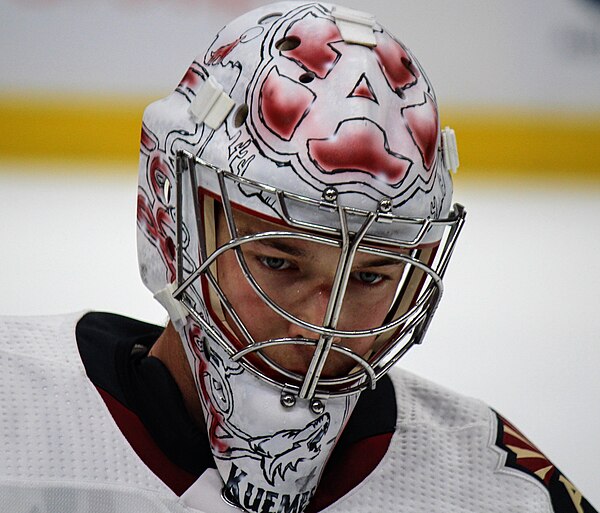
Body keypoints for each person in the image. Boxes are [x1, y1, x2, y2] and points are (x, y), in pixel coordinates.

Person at [0, 2, 596, 512]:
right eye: (279, 263)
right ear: (174, 227)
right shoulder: (15, 419)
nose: (326, 323)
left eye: (370, 274)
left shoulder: (495, 490)